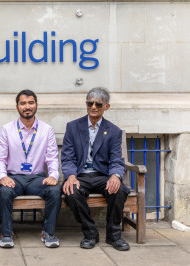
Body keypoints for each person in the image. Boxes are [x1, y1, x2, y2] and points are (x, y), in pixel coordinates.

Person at [61, 87, 130, 251]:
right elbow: (68, 157)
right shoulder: (73, 127)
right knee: (71, 192)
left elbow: (116, 159)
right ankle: (90, 233)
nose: (93, 107)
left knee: (118, 189)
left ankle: (114, 236)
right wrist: (70, 175)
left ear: (106, 107)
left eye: (98, 104)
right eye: (90, 103)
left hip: (102, 175)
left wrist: (115, 176)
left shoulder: (113, 131)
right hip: (80, 175)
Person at [0, 89, 61, 248]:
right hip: (14, 178)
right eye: (23, 103)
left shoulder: (46, 130)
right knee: (4, 191)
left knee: (55, 190)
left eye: (30, 102)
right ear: (17, 106)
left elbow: (52, 157)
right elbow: (0, 159)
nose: (27, 106)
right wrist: (3, 177)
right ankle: (6, 233)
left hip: (37, 179)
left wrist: (53, 176)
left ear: (36, 105)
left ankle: (48, 233)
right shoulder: (7, 129)